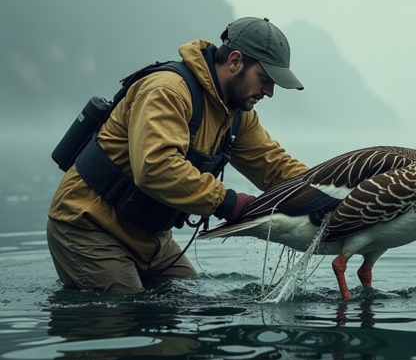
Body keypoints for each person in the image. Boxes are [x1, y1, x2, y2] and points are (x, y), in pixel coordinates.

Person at [46, 17, 309, 293]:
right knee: (124, 311)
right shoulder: (167, 90)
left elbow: (274, 166)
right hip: (87, 226)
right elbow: (156, 168)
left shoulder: (237, 116)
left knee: (186, 310)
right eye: (265, 79)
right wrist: (230, 203)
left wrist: (333, 192)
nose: (269, 92)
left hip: (153, 240)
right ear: (234, 61)